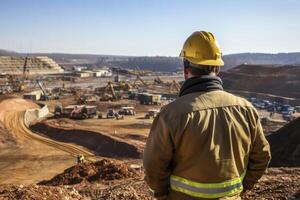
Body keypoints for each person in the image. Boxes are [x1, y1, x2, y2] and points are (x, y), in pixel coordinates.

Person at [143, 31, 271, 200]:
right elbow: (262, 156)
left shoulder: (171, 115)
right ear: (217, 68)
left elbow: (154, 167)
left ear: (186, 68)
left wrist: (162, 196)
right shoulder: (246, 110)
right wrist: (241, 189)